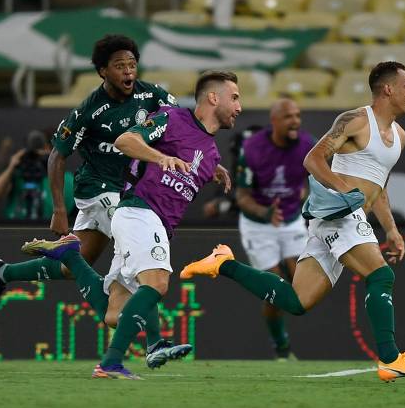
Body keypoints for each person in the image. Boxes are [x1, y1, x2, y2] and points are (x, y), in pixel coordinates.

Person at [181, 62, 405, 382]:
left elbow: (379, 187)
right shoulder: (356, 121)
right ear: (388, 89)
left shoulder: (400, 135)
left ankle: (223, 264)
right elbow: (312, 159)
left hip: (346, 219)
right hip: (338, 215)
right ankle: (389, 359)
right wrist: (344, 190)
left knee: (297, 301)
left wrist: (392, 230)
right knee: (380, 275)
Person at [0, 35, 191, 368]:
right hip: (99, 191)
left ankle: (3, 272)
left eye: (132, 65)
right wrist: (59, 211)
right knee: (139, 259)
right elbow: (56, 157)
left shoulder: (153, 96)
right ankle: (155, 343)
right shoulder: (89, 111)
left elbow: (180, 128)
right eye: (120, 66)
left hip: (124, 191)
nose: (128, 72)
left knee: (70, 267)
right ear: (102, 71)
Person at [20, 70, 241, 379]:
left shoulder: (211, 151)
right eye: (234, 97)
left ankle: (71, 256)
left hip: (158, 224)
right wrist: (158, 156)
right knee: (158, 282)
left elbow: (193, 151)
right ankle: (111, 363)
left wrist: (213, 168)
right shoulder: (171, 118)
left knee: (115, 314)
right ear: (213, 97)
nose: (239, 107)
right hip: (139, 211)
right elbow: (126, 140)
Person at [235, 99, 313, 360]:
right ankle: (281, 346)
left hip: (291, 221)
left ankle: (282, 342)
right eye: (289, 116)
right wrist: (265, 212)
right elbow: (242, 196)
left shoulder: (307, 146)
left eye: (298, 115)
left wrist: (305, 197)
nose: (295, 121)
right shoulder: (253, 147)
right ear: (275, 121)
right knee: (275, 286)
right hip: (259, 225)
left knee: (300, 284)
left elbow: (315, 180)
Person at [0, 129, 74, 220]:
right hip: (14, 228)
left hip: (47, 228)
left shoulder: (65, 178)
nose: (36, 159)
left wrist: (49, 163)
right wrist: (11, 167)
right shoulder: (18, 173)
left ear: (50, 150)